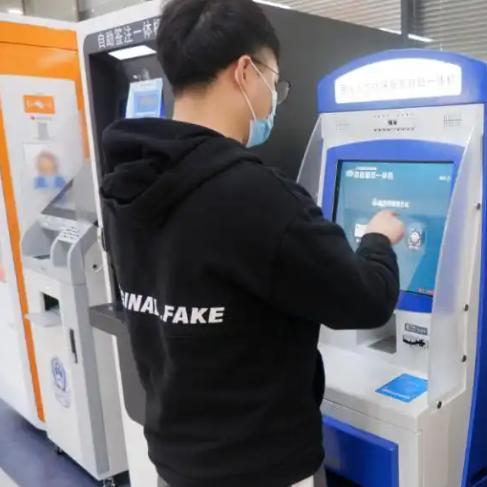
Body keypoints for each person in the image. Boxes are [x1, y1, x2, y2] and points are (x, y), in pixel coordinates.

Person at [98, 1, 404, 486]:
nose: (274, 97)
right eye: (274, 80)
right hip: (262, 466)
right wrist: (377, 239)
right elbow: (367, 299)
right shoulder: (256, 196)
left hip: (176, 461)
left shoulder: (128, 179)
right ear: (245, 71)